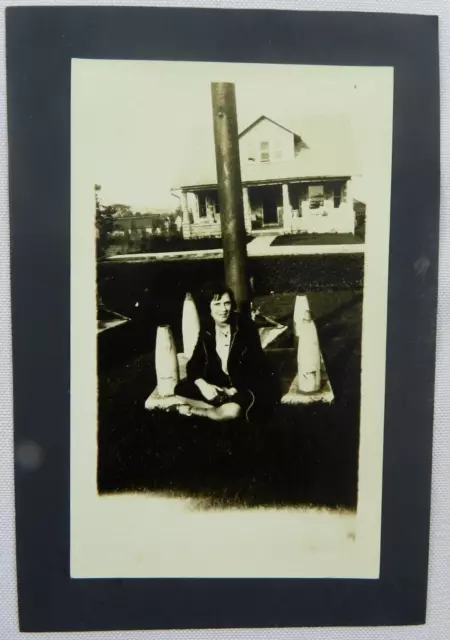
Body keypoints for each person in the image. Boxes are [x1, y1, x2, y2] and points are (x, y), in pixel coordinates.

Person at [174, 283, 280, 422]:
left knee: (232, 411)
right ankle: (217, 410)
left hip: (246, 387)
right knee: (179, 391)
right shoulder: (207, 327)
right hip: (221, 386)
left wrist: (230, 390)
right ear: (208, 307)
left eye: (227, 303)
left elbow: (256, 365)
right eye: (217, 304)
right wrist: (203, 384)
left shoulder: (245, 326)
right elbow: (194, 363)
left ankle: (194, 410)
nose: (223, 309)